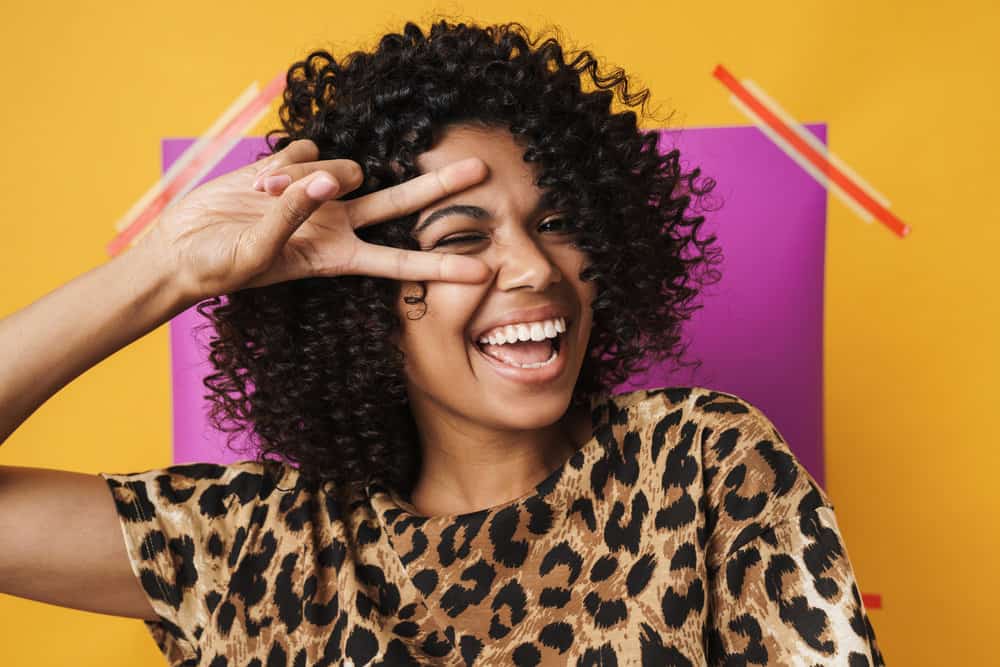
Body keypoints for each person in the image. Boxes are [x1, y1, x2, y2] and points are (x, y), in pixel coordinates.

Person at [0, 19, 884, 667]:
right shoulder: (262, 547)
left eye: (560, 222)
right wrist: (167, 270)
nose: (534, 268)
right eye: (463, 238)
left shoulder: (698, 465)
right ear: (362, 294)